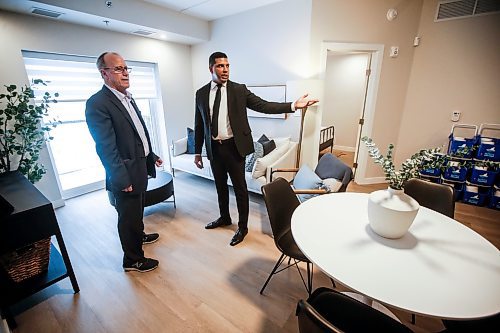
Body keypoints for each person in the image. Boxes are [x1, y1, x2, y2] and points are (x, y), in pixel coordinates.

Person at [194, 51, 318, 246]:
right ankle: (224, 217)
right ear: (211, 68)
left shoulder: (238, 90)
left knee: (240, 189)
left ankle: (242, 227)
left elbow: (264, 105)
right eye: (220, 66)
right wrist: (197, 152)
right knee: (220, 187)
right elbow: (199, 123)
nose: (225, 69)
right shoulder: (201, 93)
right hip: (214, 150)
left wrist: (293, 105)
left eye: (227, 66)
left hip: (234, 148)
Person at [86, 52, 163, 272]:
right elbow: (105, 147)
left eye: (126, 68)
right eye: (118, 69)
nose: (125, 73)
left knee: (136, 210)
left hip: (139, 166)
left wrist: (151, 154)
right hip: (125, 173)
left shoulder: (127, 97)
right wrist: (120, 178)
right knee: (128, 217)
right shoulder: (98, 103)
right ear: (104, 73)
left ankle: (139, 236)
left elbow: (137, 133)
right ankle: (133, 260)